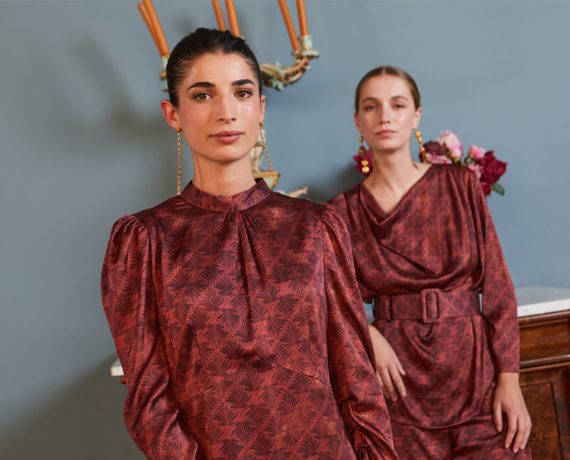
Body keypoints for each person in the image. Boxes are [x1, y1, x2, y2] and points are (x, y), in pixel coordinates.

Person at [101, 29, 397, 459]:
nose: (226, 112)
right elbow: (149, 399)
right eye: (203, 95)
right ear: (173, 113)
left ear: (261, 109)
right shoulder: (145, 240)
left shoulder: (316, 227)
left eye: (241, 93)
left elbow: (356, 374)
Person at [329, 66, 532, 459]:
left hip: (477, 378)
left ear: (416, 115)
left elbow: (498, 289)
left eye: (397, 104)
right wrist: (368, 333)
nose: (385, 116)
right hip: (400, 385)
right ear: (358, 121)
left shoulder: (460, 185)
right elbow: (333, 299)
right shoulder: (341, 212)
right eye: (371, 107)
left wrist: (509, 381)